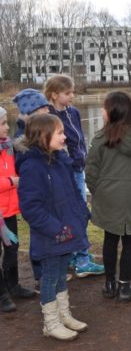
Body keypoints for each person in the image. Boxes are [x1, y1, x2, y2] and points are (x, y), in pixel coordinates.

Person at [16, 114, 89, 340]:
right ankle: (51, 322)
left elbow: (75, 193)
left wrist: (81, 214)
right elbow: (31, 208)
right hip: (51, 234)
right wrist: (56, 228)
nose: (65, 136)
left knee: (60, 275)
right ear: (43, 136)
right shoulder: (32, 167)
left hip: (66, 230)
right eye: (60, 133)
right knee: (49, 277)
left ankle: (63, 314)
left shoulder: (60, 160)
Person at [85, 91, 131, 301]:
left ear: (113, 111)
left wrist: (97, 190)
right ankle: (125, 287)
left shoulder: (101, 137)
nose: (101, 111)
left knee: (110, 238)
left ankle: (109, 284)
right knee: (130, 241)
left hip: (107, 196)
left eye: (104, 107)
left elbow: (91, 169)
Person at [43, 74, 104, 278]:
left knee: (78, 211)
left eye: (72, 91)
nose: (72, 95)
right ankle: (80, 259)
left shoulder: (74, 112)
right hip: (62, 172)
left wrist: (84, 159)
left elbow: (79, 140)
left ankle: (77, 255)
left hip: (78, 168)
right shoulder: (47, 116)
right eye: (67, 92)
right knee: (72, 213)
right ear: (54, 94)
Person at [12, 88, 52, 292]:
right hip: (34, 196)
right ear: (31, 112)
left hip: (44, 192)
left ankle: (47, 273)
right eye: (43, 107)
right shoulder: (22, 139)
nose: (48, 110)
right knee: (38, 235)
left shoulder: (40, 131)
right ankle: (40, 276)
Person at [0, 106, 36, 313]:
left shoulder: (8, 147)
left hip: (9, 210)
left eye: (7, 122)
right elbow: (11, 179)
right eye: (3, 124)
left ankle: (13, 285)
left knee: (12, 248)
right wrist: (11, 181)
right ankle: (2, 294)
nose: (7, 127)